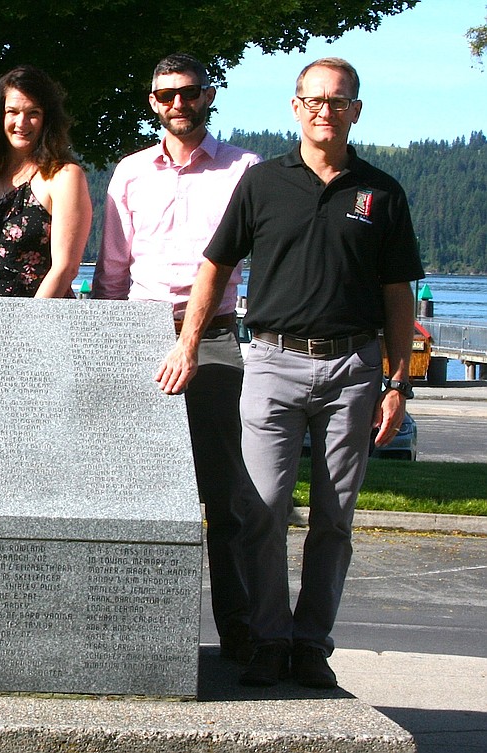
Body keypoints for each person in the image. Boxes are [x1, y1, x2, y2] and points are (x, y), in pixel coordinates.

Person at [156, 58, 424, 689]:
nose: (324, 110)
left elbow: (396, 293)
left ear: (356, 109)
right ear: (295, 106)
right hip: (272, 362)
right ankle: (270, 639)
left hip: (353, 369)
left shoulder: (381, 192)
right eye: (313, 100)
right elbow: (215, 268)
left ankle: (312, 645)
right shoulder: (262, 182)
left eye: (337, 101)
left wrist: (397, 381)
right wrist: (189, 345)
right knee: (262, 510)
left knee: (334, 518)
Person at [94, 53, 261, 662]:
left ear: (207, 95)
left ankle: (239, 633)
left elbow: (263, 257)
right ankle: (130, 633)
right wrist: (109, 346)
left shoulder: (245, 169)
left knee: (226, 496)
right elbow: (113, 268)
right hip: (139, 336)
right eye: (165, 96)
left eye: (188, 93)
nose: (178, 105)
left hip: (215, 338)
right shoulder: (131, 173)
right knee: (133, 491)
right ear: (152, 103)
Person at [0, 65, 91, 297]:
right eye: (13, 112)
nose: (22, 122)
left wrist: (26, 328)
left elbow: (65, 269)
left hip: (40, 322)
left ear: (47, 119)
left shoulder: (63, 176)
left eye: (33, 113)